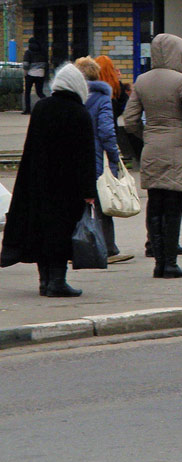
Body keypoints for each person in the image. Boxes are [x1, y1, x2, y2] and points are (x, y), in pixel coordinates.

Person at [0, 64, 97, 297]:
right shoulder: (79, 112)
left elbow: (30, 147)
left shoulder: (42, 107)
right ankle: (57, 281)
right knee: (62, 232)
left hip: (38, 182)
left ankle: (44, 281)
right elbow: (85, 156)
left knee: (42, 230)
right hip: (68, 186)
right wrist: (89, 191)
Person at [124, 34, 182, 279]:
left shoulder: (142, 81)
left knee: (155, 203)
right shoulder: (181, 81)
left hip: (151, 147)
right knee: (173, 206)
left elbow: (129, 121)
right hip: (178, 148)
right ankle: (170, 263)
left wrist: (147, 135)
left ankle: (158, 262)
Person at [76, 57, 132, 264]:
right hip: (95, 157)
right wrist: (115, 158)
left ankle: (75, 245)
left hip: (72, 158)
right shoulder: (102, 98)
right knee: (102, 203)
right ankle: (108, 247)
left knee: (75, 203)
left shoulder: (71, 97)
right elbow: (107, 131)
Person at [20, 37, 48, 114]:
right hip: (41, 74)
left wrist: (25, 72)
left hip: (30, 74)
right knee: (40, 92)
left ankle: (27, 110)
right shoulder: (42, 52)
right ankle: (48, 105)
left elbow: (26, 64)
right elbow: (45, 64)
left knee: (27, 92)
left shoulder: (28, 52)